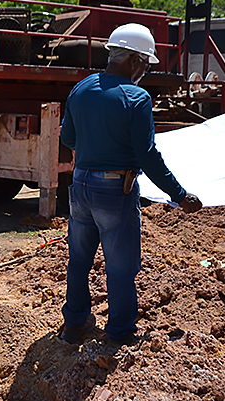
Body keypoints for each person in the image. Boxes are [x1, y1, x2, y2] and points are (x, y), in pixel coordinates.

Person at [59, 23, 203, 346]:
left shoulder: (80, 89)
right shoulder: (136, 98)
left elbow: (67, 137)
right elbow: (147, 155)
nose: (144, 74)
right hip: (115, 192)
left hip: (80, 186)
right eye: (145, 66)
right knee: (121, 266)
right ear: (135, 61)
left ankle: (73, 325)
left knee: (79, 259)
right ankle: (120, 333)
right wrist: (179, 195)